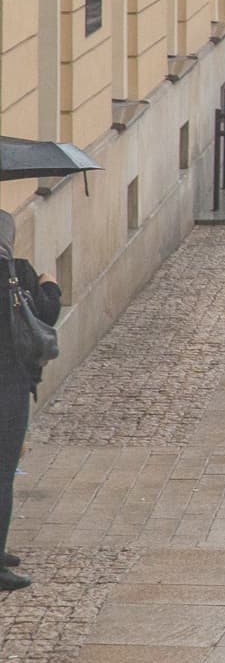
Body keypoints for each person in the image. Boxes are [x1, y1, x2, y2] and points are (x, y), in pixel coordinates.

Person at [0, 214, 60, 590]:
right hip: (9, 384)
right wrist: (51, 283)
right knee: (3, 472)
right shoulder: (15, 271)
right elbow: (47, 314)